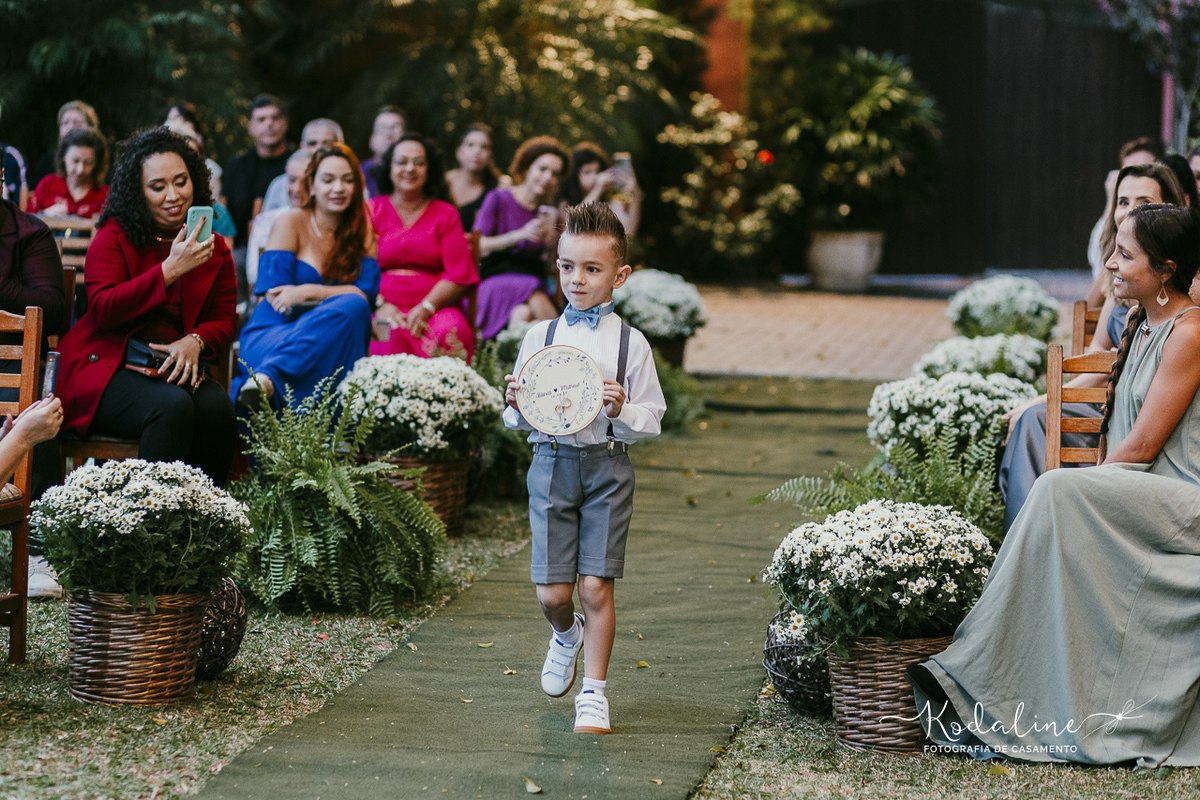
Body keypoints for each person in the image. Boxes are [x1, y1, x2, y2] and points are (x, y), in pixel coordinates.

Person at [909, 203, 1200, 766]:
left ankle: (973, 665)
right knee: (1058, 494)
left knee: (1056, 491)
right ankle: (989, 676)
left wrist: (1084, 497)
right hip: (1146, 494)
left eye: (1125, 254)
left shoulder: (1191, 331)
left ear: (1165, 270)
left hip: (1184, 499)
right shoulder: (1142, 323)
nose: (1110, 263)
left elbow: (1140, 447)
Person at [503, 202, 665, 735]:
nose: (577, 278)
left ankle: (593, 692)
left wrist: (623, 410)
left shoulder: (631, 344)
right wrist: (515, 402)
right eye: (568, 266)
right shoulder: (540, 338)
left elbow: (652, 419)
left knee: (595, 586)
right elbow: (517, 418)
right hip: (550, 465)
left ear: (619, 276)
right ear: (557, 264)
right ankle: (565, 634)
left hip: (606, 470)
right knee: (554, 593)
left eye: (592, 269)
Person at [999, 162, 1187, 532]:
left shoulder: (1181, 319)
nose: (1130, 209)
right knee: (1032, 423)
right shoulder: (1133, 305)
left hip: (1147, 438)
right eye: (1122, 200)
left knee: (1041, 443)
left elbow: (1143, 440)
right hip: (1118, 411)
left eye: (1143, 201)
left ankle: (1031, 538)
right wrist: (1044, 399)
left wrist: (1089, 485)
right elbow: (1096, 358)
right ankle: (1025, 539)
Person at [56, 127, 238, 489]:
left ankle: (206, 524)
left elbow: (224, 318)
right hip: (110, 365)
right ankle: (147, 527)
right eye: (158, 186)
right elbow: (104, 309)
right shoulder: (113, 237)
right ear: (138, 192)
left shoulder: (213, 247)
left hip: (175, 365)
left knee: (217, 409)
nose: (173, 196)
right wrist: (170, 270)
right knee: (171, 406)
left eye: (181, 182)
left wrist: (196, 341)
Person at [232, 143, 379, 410]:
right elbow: (275, 295)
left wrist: (308, 291)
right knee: (349, 308)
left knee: (354, 308)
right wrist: (336, 299)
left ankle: (267, 380)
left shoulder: (362, 232)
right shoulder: (291, 222)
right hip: (274, 333)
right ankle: (266, 377)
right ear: (311, 184)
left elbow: (363, 296)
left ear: (358, 186)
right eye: (328, 180)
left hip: (330, 341)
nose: (338, 188)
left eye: (348, 180)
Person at [0, 191, 69, 597]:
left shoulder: (30, 233)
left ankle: (40, 554)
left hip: (11, 363)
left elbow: (52, 308)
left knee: (31, 394)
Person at [368, 135, 478, 361]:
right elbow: (358, 268)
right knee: (383, 336)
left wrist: (427, 307)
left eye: (419, 162)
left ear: (429, 170)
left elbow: (458, 274)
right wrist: (380, 305)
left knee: (452, 331)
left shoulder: (445, 213)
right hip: (382, 307)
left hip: (435, 308)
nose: (410, 168)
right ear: (389, 167)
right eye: (401, 162)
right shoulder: (371, 211)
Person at [474, 136, 568, 339]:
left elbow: (551, 270)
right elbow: (478, 245)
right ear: (527, 169)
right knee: (531, 288)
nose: (547, 177)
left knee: (522, 313)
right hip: (496, 280)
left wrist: (551, 247)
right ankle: (562, 342)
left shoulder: (550, 214)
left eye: (555, 174)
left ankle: (507, 362)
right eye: (542, 169)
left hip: (533, 280)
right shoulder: (499, 199)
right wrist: (519, 235)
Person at [221, 94, 292, 295]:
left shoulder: (296, 165)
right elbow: (225, 212)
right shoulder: (236, 166)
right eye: (261, 119)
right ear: (250, 126)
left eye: (275, 118)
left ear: (285, 123)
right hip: (241, 251)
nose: (269, 125)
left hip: (287, 248)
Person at [1085, 136, 1164, 307]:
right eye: (1129, 171)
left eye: (1144, 169)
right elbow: (1088, 310)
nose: (1136, 178)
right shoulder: (1114, 229)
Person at [163, 118, 237, 252]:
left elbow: (225, 262)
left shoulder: (218, 214)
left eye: (193, 158)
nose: (187, 166)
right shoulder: (148, 211)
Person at [246, 148, 312, 290]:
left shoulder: (327, 222)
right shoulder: (265, 221)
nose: (297, 188)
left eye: (306, 180)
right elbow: (254, 275)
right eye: (292, 180)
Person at [260, 119, 345, 215]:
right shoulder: (280, 185)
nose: (318, 149)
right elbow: (266, 224)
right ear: (301, 146)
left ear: (341, 148)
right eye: (312, 143)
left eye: (327, 144)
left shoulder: (349, 184)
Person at [559, 143, 642, 236]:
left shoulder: (609, 202)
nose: (595, 177)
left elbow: (628, 231)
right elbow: (573, 223)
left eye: (598, 171)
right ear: (575, 174)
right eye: (587, 172)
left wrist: (636, 192)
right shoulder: (564, 202)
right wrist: (597, 189)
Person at [27, 128, 109, 219]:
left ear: (96, 163)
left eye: (88, 163)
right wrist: (45, 215)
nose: (80, 170)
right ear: (64, 157)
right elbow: (26, 223)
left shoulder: (104, 196)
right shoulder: (48, 185)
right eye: (75, 161)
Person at [28, 101, 99, 191]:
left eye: (77, 122)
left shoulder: (102, 161)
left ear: (91, 128)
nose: (70, 127)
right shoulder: (47, 162)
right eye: (65, 123)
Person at [445, 124, 501, 230]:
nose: (477, 151)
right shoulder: (443, 182)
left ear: (490, 155)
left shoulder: (497, 189)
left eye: (484, 147)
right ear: (459, 152)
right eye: (470, 145)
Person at [361, 106, 405, 198]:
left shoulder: (414, 174)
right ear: (371, 140)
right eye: (382, 128)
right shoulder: (357, 173)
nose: (388, 133)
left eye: (395, 128)